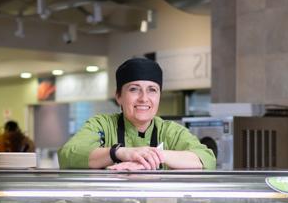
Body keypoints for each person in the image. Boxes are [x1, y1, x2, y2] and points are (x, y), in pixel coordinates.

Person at [58, 57, 216, 170]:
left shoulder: (170, 131)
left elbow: (206, 159)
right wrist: (121, 153)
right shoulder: (102, 125)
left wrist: (148, 157)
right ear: (119, 96)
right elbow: (68, 155)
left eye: (152, 90)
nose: (144, 98)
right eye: (134, 89)